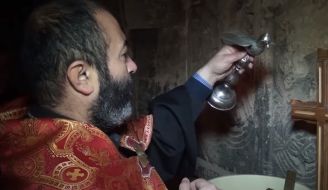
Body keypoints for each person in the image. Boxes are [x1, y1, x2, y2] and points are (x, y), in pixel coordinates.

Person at [0, 0, 253, 189]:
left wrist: (208, 74)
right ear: (82, 76)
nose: (133, 66)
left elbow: (147, 150)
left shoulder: (36, 125)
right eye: (123, 55)